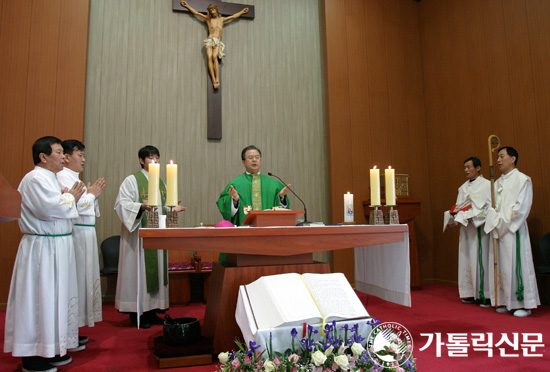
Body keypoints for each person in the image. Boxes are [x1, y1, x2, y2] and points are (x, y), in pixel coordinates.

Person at [4, 136, 85, 372]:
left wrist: (70, 197)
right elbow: (50, 209)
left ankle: (50, 349)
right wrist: (71, 197)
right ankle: (32, 356)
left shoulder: (50, 178)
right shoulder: (34, 178)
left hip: (58, 246)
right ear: (43, 156)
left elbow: (64, 206)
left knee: (54, 300)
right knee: (39, 300)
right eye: (59, 152)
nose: (64, 157)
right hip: (42, 249)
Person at [114, 146, 186, 328]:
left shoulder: (162, 183)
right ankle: (136, 312)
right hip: (138, 239)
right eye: (151, 158)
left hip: (156, 237)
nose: (155, 162)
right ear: (141, 160)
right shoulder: (132, 181)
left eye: (157, 158)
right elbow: (121, 205)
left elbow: (162, 209)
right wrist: (140, 207)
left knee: (157, 273)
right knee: (138, 272)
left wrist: (171, 209)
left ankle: (153, 310)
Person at [57, 140, 106, 348]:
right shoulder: (60, 177)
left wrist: (91, 196)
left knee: (83, 283)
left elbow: (86, 207)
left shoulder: (74, 178)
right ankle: (68, 331)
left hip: (86, 235)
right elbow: (70, 207)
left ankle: (73, 329)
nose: (83, 159)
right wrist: (91, 195)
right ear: (67, 157)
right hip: (75, 235)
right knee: (74, 283)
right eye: (80, 155)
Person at [484, 146, 540, 317]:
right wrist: (493, 218)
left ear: (513, 158)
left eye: (502, 156)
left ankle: (522, 303)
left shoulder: (522, 180)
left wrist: (504, 224)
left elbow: (522, 208)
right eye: (498, 157)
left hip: (512, 230)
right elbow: (490, 205)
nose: (499, 160)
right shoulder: (497, 182)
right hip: (499, 229)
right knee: (501, 265)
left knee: (516, 264)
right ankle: (504, 301)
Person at [443, 157, 492, 306]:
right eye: (464, 167)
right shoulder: (462, 188)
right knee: (467, 259)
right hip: (467, 229)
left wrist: (474, 216)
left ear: (478, 168)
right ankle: (470, 293)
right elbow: (459, 206)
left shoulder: (487, 185)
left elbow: (489, 206)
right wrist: (456, 214)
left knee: (482, 259)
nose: (466, 170)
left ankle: (486, 294)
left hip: (480, 228)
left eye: (469, 167)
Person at [180, 1, 249, 89]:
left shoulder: (222, 19)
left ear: (216, 10)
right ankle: (213, 79)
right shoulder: (209, 20)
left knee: (214, 57)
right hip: (209, 40)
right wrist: (187, 6)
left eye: (213, 9)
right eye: (210, 10)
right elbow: (197, 13)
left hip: (217, 41)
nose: (212, 11)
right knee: (209, 57)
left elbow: (233, 17)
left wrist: (242, 12)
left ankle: (217, 79)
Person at [216, 145, 291, 226]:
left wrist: (281, 197)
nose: (254, 160)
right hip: (245, 232)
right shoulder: (235, 185)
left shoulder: (275, 184)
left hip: (269, 230)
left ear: (260, 160)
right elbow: (224, 208)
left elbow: (283, 212)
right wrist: (235, 201)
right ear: (243, 162)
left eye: (257, 157)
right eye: (250, 158)